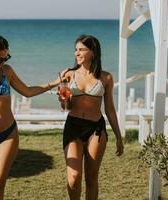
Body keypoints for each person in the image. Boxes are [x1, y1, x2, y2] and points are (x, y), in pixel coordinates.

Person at [0, 34, 61, 200]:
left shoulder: (7, 72)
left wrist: (54, 82)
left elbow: (28, 91)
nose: (3, 62)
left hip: (8, 133)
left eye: (6, 57)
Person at [58, 35, 124, 200]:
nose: (77, 53)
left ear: (93, 52)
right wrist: (63, 99)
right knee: (74, 178)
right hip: (73, 126)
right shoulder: (68, 75)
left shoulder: (106, 78)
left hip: (96, 129)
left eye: (81, 49)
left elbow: (109, 109)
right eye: (76, 50)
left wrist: (118, 136)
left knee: (91, 178)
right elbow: (65, 107)